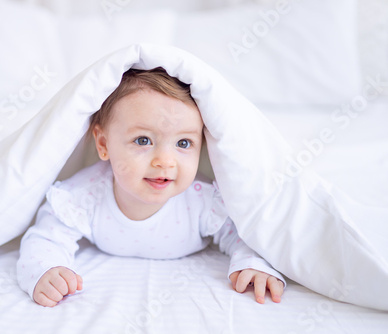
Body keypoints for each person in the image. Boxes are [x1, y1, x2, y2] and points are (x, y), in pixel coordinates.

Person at [17, 67, 285, 307]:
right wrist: (47, 269)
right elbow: (45, 238)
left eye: (183, 144)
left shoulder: (203, 201)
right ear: (103, 144)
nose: (165, 162)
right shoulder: (82, 196)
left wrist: (254, 265)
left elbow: (247, 234)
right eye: (143, 140)